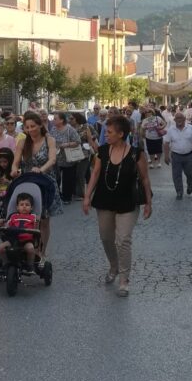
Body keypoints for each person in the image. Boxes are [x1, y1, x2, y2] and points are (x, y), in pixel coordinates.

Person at [83, 114, 152, 297]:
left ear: (121, 134)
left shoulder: (137, 153)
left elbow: (145, 179)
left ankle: (124, 279)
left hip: (128, 201)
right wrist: (87, 197)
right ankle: (113, 265)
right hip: (104, 200)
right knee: (106, 237)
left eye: (110, 132)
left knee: (123, 240)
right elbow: (95, 174)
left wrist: (148, 203)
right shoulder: (102, 151)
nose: (106, 134)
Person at [11, 110, 63, 269]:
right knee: (27, 216)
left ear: (40, 125)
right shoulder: (22, 142)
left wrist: (42, 168)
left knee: (44, 221)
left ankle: (42, 251)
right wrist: (13, 169)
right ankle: (25, 246)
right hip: (29, 183)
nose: (30, 130)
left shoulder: (49, 140)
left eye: (33, 126)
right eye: (27, 127)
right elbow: (16, 161)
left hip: (46, 182)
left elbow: (52, 159)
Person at [163, 110, 192, 199]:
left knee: (189, 173)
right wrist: (166, 156)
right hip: (176, 156)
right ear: (174, 120)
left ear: (184, 119)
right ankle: (179, 192)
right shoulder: (171, 130)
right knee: (176, 175)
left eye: (181, 118)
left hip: (189, 156)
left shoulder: (191, 128)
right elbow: (166, 143)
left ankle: (189, 184)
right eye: (177, 118)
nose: (179, 120)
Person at [0, 193, 38, 272]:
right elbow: (7, 226)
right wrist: (2, 223)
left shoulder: (33, 217)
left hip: (26, 240)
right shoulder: (13, 216)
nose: (24, 207)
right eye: (21, 204)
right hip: (13, 239)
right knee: (0, 248)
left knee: (30, 249)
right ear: (17, 207)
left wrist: (37, 226)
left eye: (27, 205)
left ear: (31, 207)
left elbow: (36, 229)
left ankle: (30, 265)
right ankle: (5, 263)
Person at [49, 111, 81, 204]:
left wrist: (66, 144)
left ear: (62, 120)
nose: (53, 121)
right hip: (56, 158)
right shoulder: (54, 129)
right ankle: (58, 196)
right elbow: (51, 139)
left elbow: (78, 141)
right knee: (56, 178)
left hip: (68, 158)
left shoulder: (70, 129)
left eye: (55, 119)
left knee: (67, 179)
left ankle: (67, 197)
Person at [69, 111, 98, 197]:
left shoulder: (86, 127)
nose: (69, 120)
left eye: (71, 118)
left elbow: (95, 134)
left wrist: (90, 139)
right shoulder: (69, 128)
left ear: (77, 119)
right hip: (71, 153)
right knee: (73, 173)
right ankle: (74, 192)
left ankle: (81, 194)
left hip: (84, 153)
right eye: (69, 118)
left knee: (80, 174)